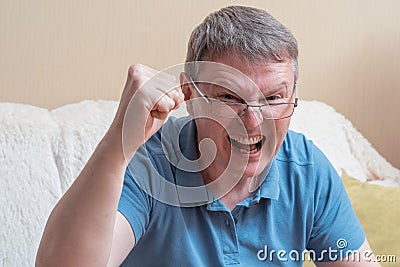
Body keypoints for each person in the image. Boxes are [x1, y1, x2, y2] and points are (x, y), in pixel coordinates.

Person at [36, 5, 381, 266]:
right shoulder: (149, 162)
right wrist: (117, 142)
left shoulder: (306, 169)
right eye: (230, 98)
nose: (252, 121)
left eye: (274, 98)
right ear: (190, 94)